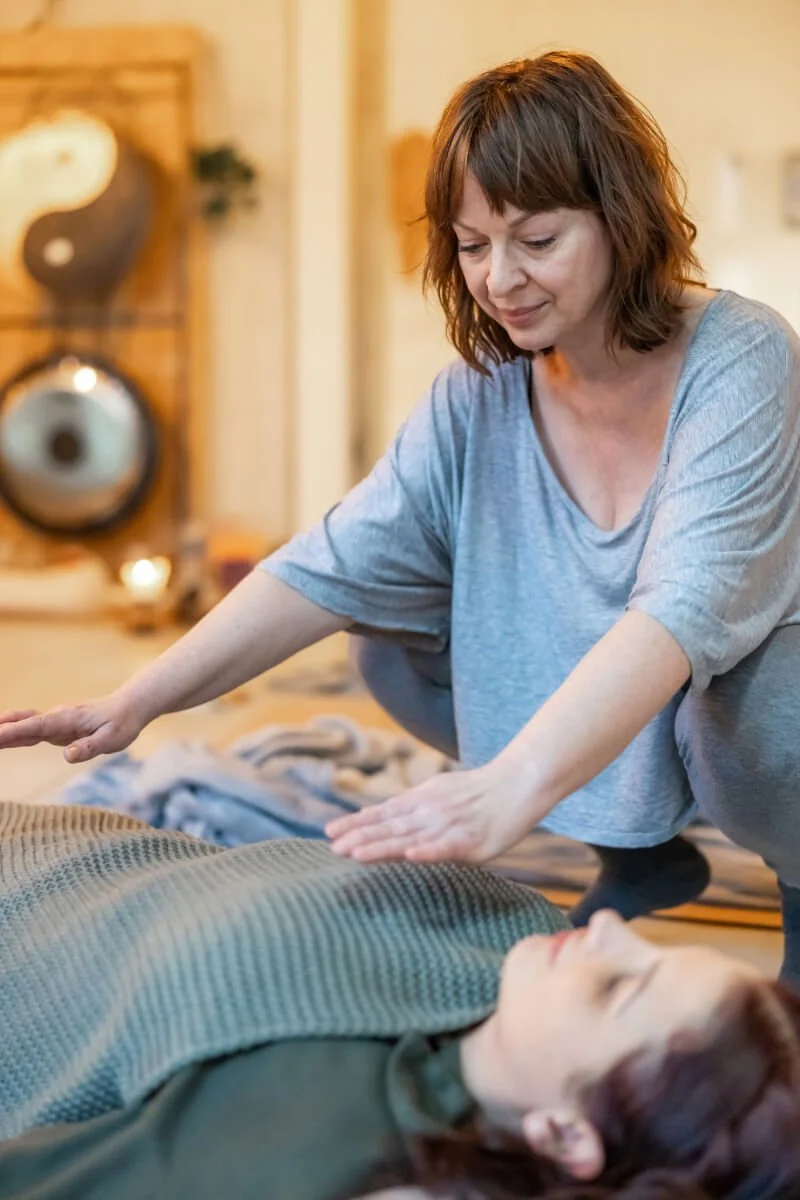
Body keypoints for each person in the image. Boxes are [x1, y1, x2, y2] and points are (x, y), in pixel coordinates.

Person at [1, 51, 800, 978]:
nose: (500, 280)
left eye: (536, 241)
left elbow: (686, 608)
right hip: (618, 680)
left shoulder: (741, 356)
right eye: (472, 246)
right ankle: (640, 855)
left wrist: (506, 789)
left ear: (622, 222)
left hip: (753, 691)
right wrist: (135, 699)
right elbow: (329, 565)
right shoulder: (479, 394)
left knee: (744, 705)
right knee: (387, 637)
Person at [0, 800, 798, 1200]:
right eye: (651, 948)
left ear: (564, 1133)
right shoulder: (519, 945)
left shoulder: (313, 1138)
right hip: (73, 839)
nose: (612, 930)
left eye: (621, 988)